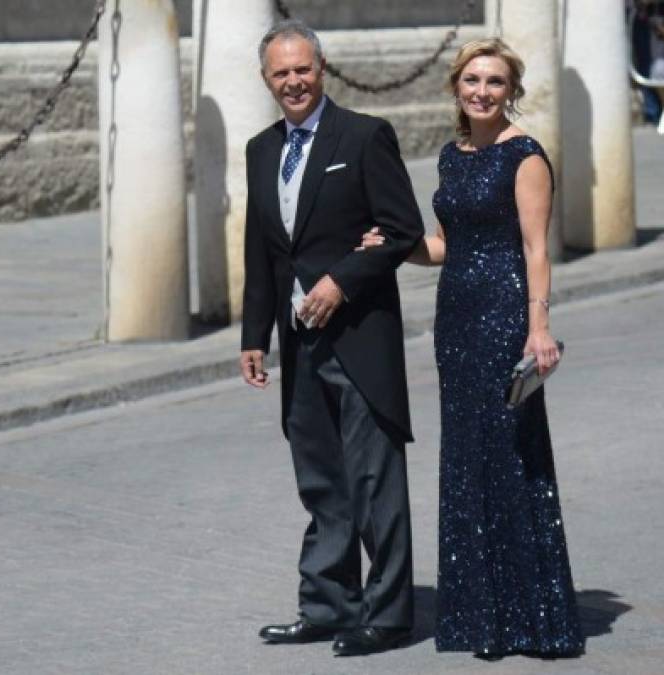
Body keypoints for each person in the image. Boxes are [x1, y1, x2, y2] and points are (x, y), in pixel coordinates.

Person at [361, 38, 585, 659]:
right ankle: (479, 616)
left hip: (505, 313)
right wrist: (393, 246)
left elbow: (537, 249)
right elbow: (444, 245)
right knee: (466, 456)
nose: (482, 92)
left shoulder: (525, 155)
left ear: (511, 91)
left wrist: (538, 327)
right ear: (456, 87)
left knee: (508, 452)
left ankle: (528, 616)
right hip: (455, 316)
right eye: (473, 81)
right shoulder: (450, 156)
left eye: (495, 83)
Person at [239, 19, 424, 657]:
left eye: (303, 69)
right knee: (320, 480)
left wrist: (342, 281)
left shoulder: (364, 137)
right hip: (299, 344)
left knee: (375, 482)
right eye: (280, 73)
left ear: (323, 69)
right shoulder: (262, 150)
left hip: (359, 338)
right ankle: (326, 604)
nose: (293, 82)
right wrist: (252, 335)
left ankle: (390, 614)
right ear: (266, 81)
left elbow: (402, 229)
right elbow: (263, 253)